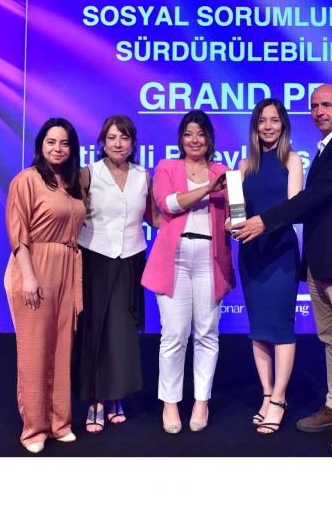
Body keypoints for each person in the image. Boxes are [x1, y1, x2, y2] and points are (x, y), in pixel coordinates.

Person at [232, 84, 332, 455]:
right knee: (331, 339)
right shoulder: (324, 150)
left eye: (327, 105)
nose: (319, 111)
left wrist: (264, 221)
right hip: (319, 261)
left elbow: (311, 199)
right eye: (314, 106)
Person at [141, 110, 234, 434]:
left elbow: (234, 214)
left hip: (211, 257)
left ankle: (201, 401)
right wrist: (209, 189)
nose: (194, 140)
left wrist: (238, 222)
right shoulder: (167, 167)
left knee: (207, 333)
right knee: (174, 333)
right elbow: (168, 204)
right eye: (188, 134)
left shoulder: (224, 172)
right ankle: (170, 402)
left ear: (209, 138)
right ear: (180, 139)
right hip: (175, 258)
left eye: (201, 133)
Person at [72, 115, 160, 433]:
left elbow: (154, 218)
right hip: (95, 258)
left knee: (122, 332)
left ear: (133, 143)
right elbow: (73, 215)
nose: (118, 144)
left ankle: (115, 397)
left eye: (124, 138)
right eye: (112, 138)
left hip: (131, 260)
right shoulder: (88, 173)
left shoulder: (143, 175)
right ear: (102, 142)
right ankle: (95, 399)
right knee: (94, 329)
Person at [4, 117, 86, 454]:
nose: (58, 148)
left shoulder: (72, 183)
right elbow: (18, 232)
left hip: (68, 267)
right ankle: (34, 429)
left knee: (62, 347)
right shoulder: (26, 180)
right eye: (51, 142)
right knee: (35, 349)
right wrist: (29, 275)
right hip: (35, 266)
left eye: (64, 143)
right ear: (41, 144)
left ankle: (59, 423)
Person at [231, 99, 303, 435]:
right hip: (251, 253)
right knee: (258, 327)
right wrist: (233, 224)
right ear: (255, 126)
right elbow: (238, 212)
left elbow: (293, 209)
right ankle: (266, 394)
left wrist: (262, 224)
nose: (268, 126)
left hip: (281, 252)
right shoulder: (244, 165)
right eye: (262, 121)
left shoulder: (292, 160)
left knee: (281, 327)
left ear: (283, 124)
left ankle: (279, 398)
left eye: (274, 120)